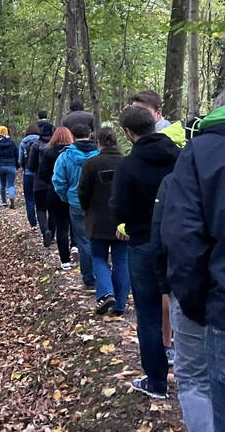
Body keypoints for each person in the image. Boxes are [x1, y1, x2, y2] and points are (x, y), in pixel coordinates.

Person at [163, 90, 225, 427]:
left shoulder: (201, 153)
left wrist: (195, 305)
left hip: (220, 307)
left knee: (198, 382)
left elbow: (183, 238)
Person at [112, 104, 180, 400]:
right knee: (185, 307)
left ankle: (156, 381)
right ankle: (194, 379)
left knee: (149, 311)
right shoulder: (179, 156)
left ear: (128, 133)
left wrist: (127, 223)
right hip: (179, 242)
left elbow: (119, 207)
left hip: (143, 243)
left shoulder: (128, 165)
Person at [79, 127, 128, 315]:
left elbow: (83, 192)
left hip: (97, 220)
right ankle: (120, 304)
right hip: (122, 221)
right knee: (121, 260)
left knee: (99, 258)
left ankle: (106, 293)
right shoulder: (126, 163)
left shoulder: (91, 164)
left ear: (98, 142)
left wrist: (87, 209)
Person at [53, 123, 99, 290]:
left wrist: (65, 197)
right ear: (90, 134)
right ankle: (102, 275)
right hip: (97, 203)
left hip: (76, 202)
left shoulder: (65, 156)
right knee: (98, 238)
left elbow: (58, 181)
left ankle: (89, 279)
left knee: (83, 240)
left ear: (72, 136)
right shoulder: (99, 154)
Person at [38, 126, 74, 267]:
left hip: (55, 192)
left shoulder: (49, 153)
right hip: (73, 191)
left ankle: (65, 261)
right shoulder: (73, 152)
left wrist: (51, 182)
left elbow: (42, 173)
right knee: (75, 222)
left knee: (61, 226)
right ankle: (75, 245)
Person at [30, 120, 56, 246]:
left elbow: (31, 165)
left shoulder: (35, 145)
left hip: (39, 181)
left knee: (40, 209)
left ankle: (45, 231)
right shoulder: (55, 147)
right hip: (53, 182)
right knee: (52, 210)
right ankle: (52, 234)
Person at [0, 126, 18, 207]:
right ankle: (11, 196)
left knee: (2, 184)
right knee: (11, 184)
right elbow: (17, 154)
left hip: (0, 166)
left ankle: (4, 202)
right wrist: (17, 165)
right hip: (11, 166)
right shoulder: (12, 143)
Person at [19, 124, 42, 231]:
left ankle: (33, 224)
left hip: (28, 173)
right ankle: (43, 222)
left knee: (29, 199)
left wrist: (24, 168)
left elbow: (20, 160)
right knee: (41, 199)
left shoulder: (23, 142)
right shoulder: (41, 141)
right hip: (40, 174)